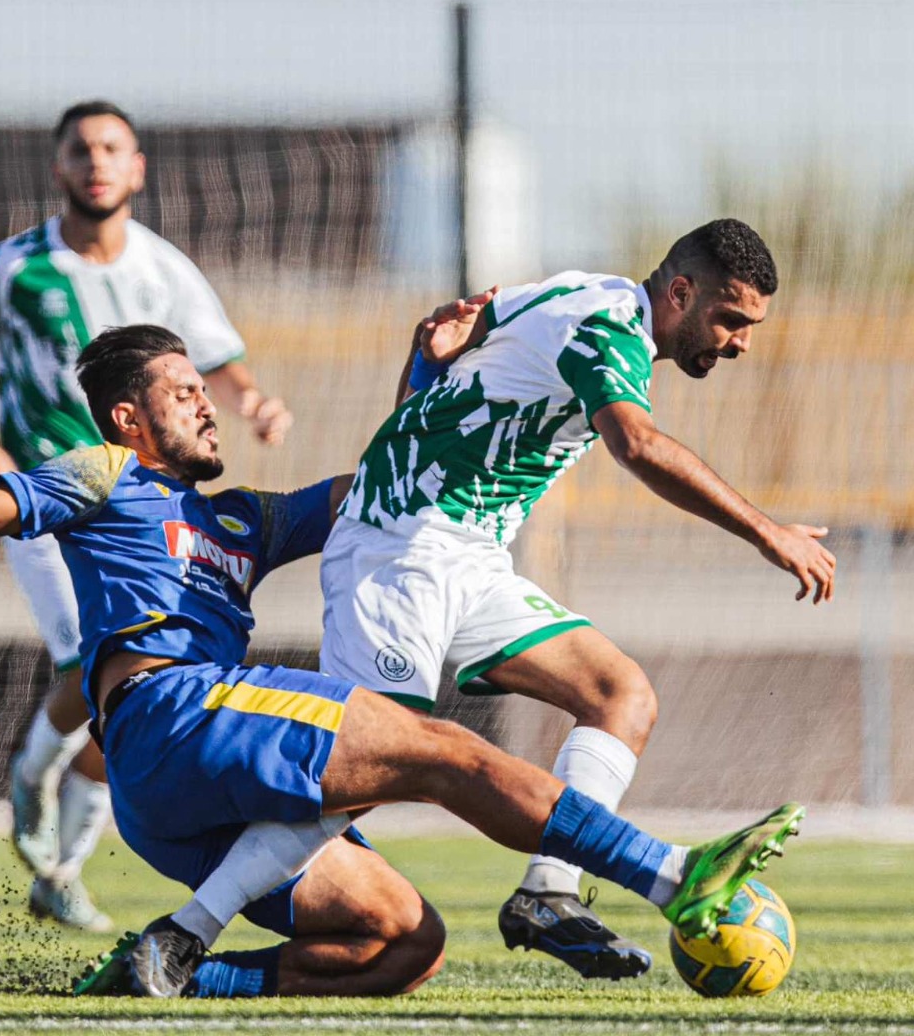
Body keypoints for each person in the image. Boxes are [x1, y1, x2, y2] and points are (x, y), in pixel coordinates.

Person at [0, 323, 803, 999]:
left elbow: (385, 485)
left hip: (185, 802)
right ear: (131, 418)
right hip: (171, 715)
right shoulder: (108, 473)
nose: (206, 402)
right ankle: (672, 877)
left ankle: (172, 963)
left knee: (403, 943)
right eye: (182, 391)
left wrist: (428, 374)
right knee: (442, 750)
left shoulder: (241, 519)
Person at [144, 219, 835, 982]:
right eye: (731, 320)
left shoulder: (582, 289)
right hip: (398, 549)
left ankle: (549, 895)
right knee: (367, 769)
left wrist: (425, 369)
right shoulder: (609, 327)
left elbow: (453, 323)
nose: (740, 342)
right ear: (681, 291)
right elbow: (636, 446)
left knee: (620, 695)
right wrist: (768, 532)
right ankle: (183, 936)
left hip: (468, 555)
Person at [0, 99, 292, 930]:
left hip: (141, 505)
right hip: (57, 498)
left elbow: (221, 363)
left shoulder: (163, 268)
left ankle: (62, 870)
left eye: (111, 149)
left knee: (125, 683)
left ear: (136, 169)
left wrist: (257, 403)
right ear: (59, 168)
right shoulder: (14, 267)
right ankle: (30, 773)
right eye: (81, 149)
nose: (96, 161)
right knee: (84, 667)